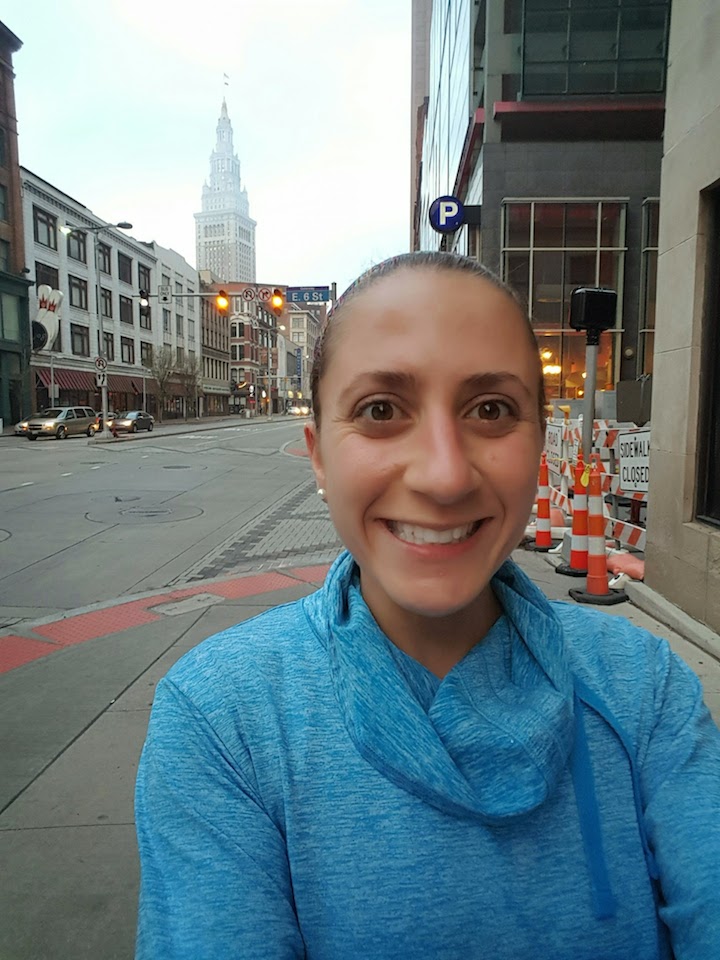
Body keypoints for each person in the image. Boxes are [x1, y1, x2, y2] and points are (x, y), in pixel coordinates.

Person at [135, 252, 720, 959]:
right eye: (381, 411)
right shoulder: (222, 719)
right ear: (318, 456)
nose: (444, 476)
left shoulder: (643, 689)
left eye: (491, 410)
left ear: (540, 444)